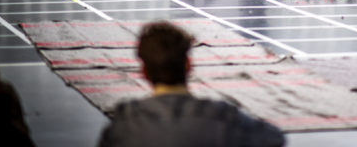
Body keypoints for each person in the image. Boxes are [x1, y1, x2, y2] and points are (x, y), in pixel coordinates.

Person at [98, 22, 285, 147]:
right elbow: (275, 138)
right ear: (188, 65)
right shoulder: (222, 116)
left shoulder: (124, 123)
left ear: (144, 72)